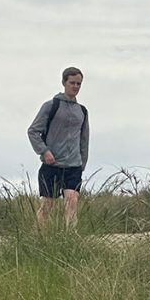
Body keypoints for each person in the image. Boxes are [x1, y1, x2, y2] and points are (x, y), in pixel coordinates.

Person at [27, 67, 90, 229]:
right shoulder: (51, 106)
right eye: (72, 83)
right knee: (48, 204)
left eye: (79, 84)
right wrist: (44, 151)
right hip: (52, 164)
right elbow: (33, 131)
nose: (75, 86)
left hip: (73, 165)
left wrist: (82, 163)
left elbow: (84, 138)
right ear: (64, 83)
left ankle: (71, 237)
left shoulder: (82, 111)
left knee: (72, 200)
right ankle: (37, 236)